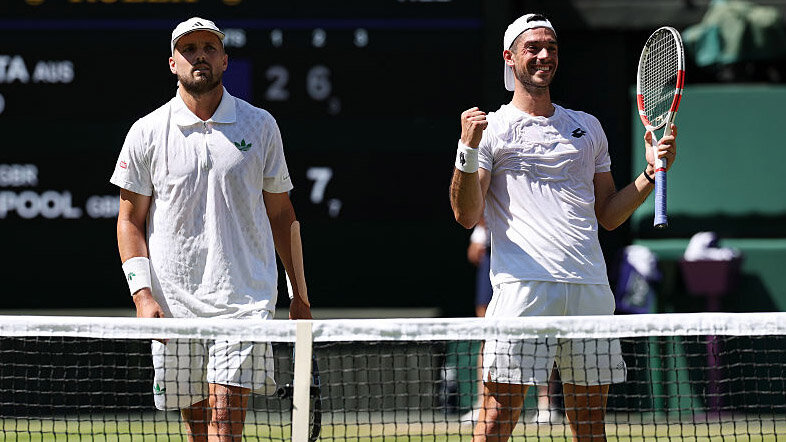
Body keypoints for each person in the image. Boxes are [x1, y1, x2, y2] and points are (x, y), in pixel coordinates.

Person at [449, 13, 677, 441]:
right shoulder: (491, 129)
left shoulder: (588, 127)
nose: (544, 56)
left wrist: (650, 174)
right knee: (495, 422)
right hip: (523, 289)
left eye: (551, 47)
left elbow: (608, 214)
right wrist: (467, 149)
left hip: (589, 288)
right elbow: (465, 214)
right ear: (510, 57)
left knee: (590, 427)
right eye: (532, 48)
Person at [111, 17, 312, 441]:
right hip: (174, 305)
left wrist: (300, 294)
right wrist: (142, 296)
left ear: (224, 60)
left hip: (244, 301)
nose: (199, 56)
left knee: (224, 425)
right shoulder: (146, 131)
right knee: (200, 430)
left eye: (209, 48)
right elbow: (129, 220)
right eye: (188, 49)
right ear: (173, 63)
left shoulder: (260, 125)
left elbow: (282, 214)